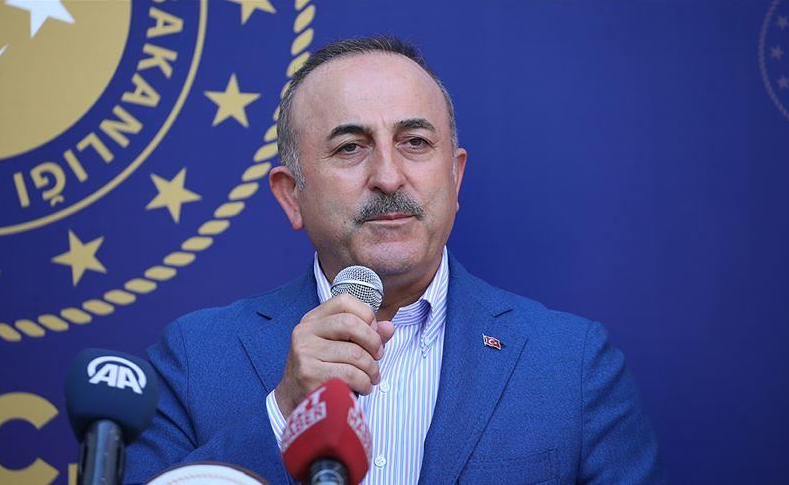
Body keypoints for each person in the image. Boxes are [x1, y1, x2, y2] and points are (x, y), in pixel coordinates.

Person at [126, 36, 665, 484]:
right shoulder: (194, 358)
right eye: (350, 147)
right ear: (291, 195)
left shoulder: (572, 363)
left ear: (455, 177)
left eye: (415, 142)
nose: (388, 176)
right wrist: (283, 409)